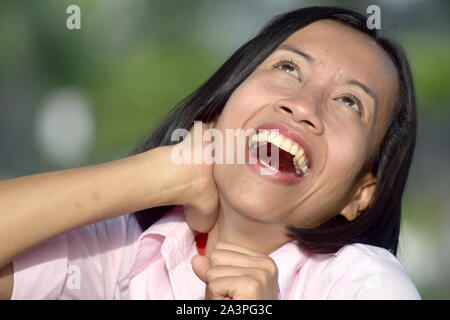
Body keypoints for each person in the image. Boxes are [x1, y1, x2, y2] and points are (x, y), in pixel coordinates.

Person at [0, 6, 421, 300]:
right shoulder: (123, 250)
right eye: (289, 68)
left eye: (350, 102)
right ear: (220, 109)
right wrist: (162, 172)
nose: (304, 106)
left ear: (361, 193)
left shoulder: (363, 283)